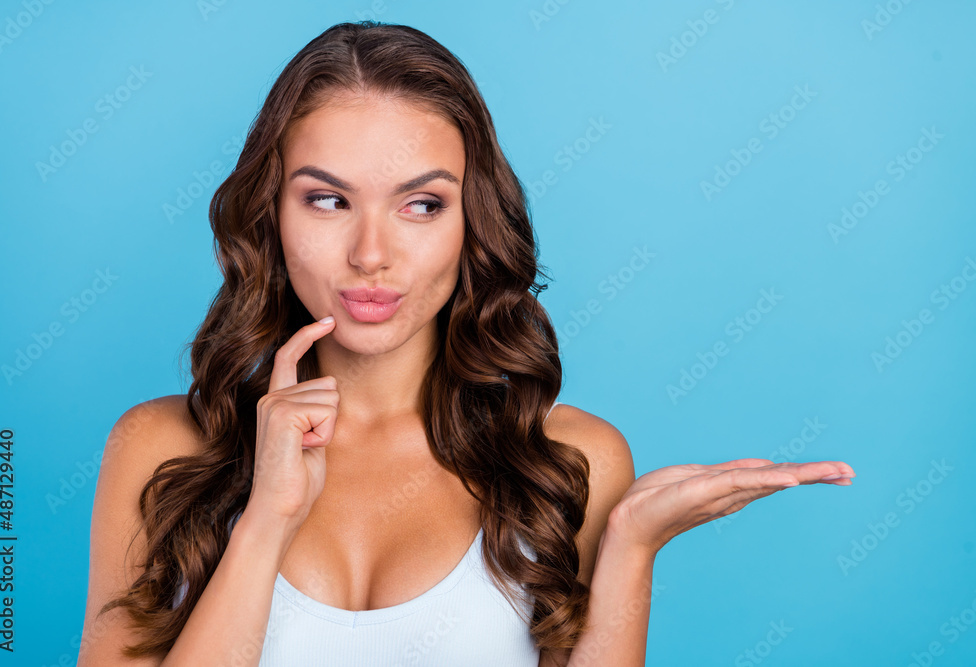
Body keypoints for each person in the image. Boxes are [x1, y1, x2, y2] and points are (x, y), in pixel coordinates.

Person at [78, 20, 855, 667]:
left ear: (471, 221)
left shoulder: (565, 459)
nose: (371, 252)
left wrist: (631, 544)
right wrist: (266, 520)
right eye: (326, 199)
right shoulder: (161, 448)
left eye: (420, 203)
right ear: (270, 215)